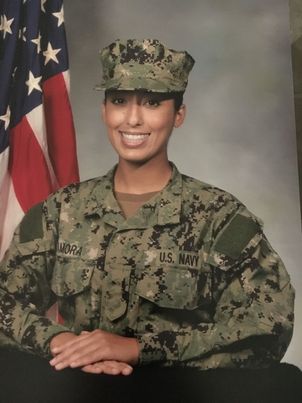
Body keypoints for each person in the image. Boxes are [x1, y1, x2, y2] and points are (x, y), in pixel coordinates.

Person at [0, 39, 295, 378]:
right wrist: (62, 341)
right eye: (119, 101)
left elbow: (268, 324)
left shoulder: (220, 219)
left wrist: (140, 349)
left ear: (179, 115)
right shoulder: (60, 212)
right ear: (104, 110)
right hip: (80, 390)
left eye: (153, 102)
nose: (133, 118)